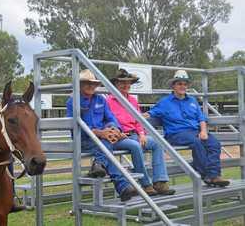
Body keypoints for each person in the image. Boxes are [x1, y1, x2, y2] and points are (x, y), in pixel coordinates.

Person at [67, 69, 144, 201]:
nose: (91, 86)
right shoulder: (72, 101)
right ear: (79, 85)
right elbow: (75, 126)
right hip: (84, 140)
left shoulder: (101, 99)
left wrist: (115, 130)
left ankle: (100, 165)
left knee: (106, 142)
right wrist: (99, 132)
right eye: (86, 83)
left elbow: (111, 118)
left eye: (93, 84)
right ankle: (120, 184)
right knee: (106, 145)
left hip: (103, 138)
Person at [144, 70, 230, 187]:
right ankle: (206, 175)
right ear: (173, 86)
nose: (182, 86)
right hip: (176, 134)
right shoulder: (165, 102)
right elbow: (150, 113)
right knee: (197, 142)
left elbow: (201, 118)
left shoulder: (192, 101)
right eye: (179, 84)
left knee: (214, 143)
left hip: (195, 131)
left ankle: (214, 175)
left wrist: (203, 131)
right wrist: (137, 115)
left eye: (185, 84)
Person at [107, 69, 175, 195]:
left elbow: (138, 120)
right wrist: (117, 131)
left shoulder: (133, 100)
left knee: (157, 142)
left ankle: (160, 181)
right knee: (135, 146)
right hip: (119, 137)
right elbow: (108, 120)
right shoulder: (109, 101)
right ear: (115, 84)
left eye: (128, 82)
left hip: (134, 134)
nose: (126, 85)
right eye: (122, 83)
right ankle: (145, 184)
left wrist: (142, 134)